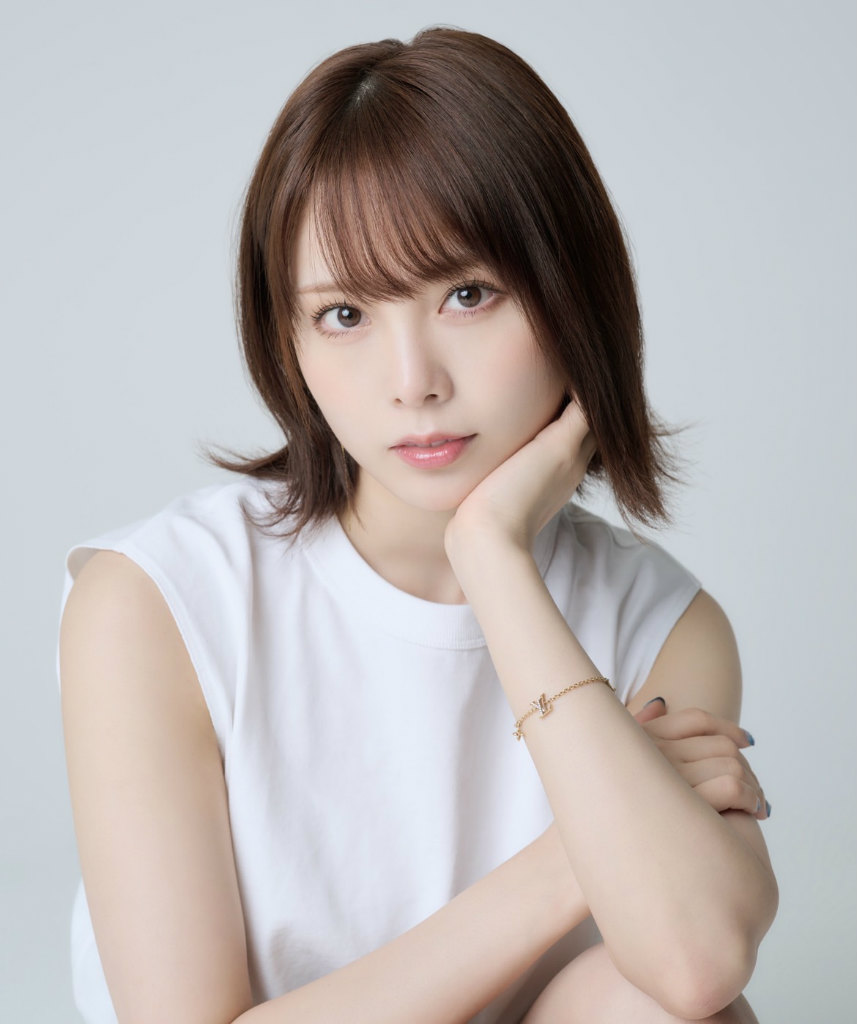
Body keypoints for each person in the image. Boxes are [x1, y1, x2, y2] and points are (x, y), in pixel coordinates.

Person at [58, 27, 778, 1024]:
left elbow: (694, 965)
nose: (413, 382)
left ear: (571, 296)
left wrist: (491, 557)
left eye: (467, 295)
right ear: (287, 340)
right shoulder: (157, 602)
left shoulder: (661, 624)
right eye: (345, 315)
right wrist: (568, 859)